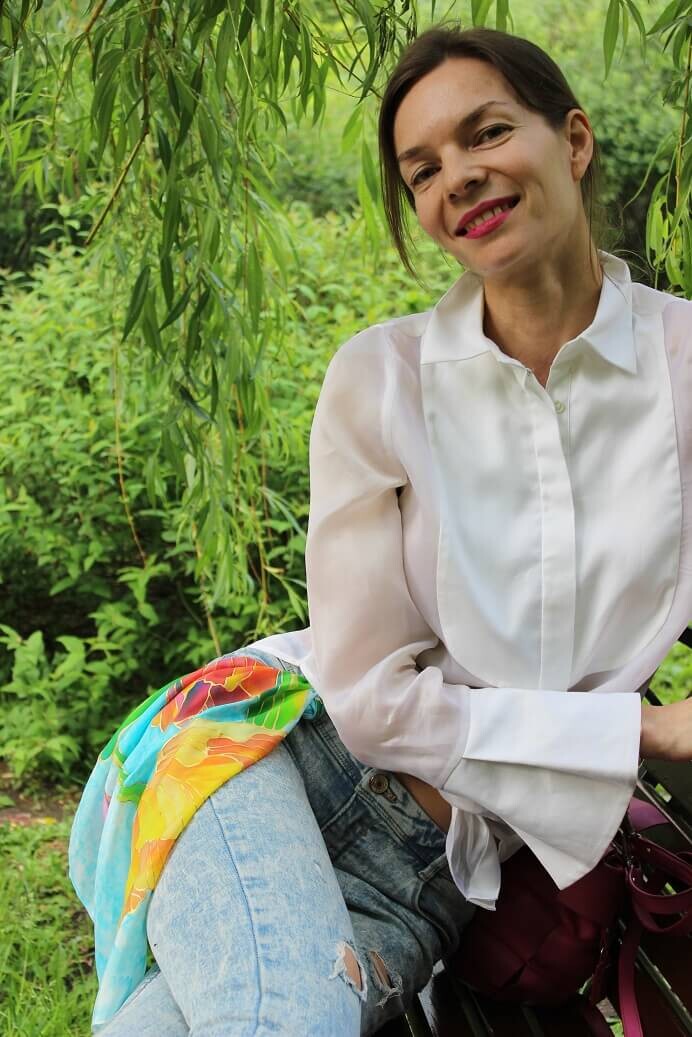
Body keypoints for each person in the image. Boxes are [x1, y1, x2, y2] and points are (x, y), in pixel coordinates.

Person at [70, 24, 692, 1037]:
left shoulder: (681, 367)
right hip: (268, 756)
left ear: (573, 140)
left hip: (434, 881)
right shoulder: (382, 377)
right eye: (423, 169)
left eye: (486, 132)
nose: (458, 176)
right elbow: (370, 705)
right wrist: (643, 731)